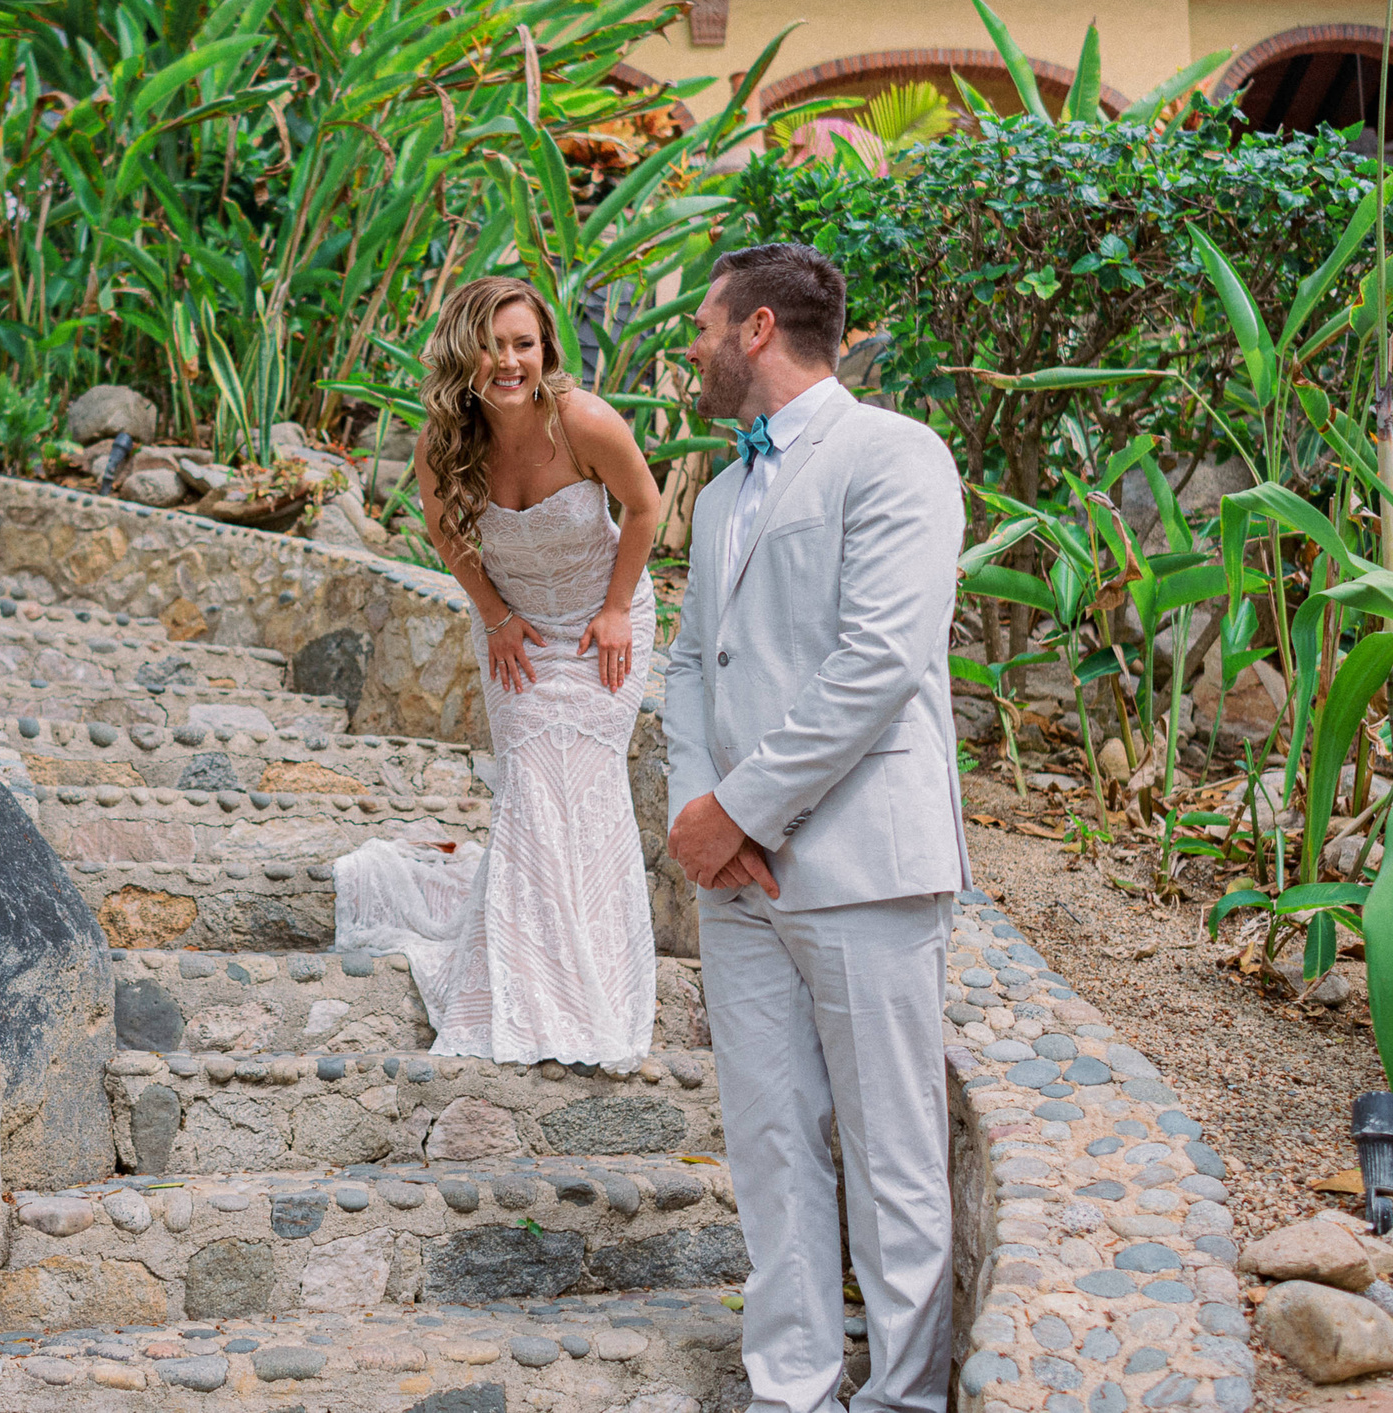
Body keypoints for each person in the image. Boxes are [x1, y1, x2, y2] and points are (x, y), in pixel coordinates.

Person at [662, 242, 969, 1413]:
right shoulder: (726, 489)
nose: (689, 345)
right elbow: (692, 661)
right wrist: (700, 812)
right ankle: (790, 1387)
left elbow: (878, 661)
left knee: (892, 1152)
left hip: (860, 860)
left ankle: (900, 1396)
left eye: (701, 321)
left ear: (752, 329)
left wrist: (739, 808)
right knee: (771, 1141)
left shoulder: (895, 455)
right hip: (736, 880)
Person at [331, 274, 663, 1068]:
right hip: (515, 630)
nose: (509, 361)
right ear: (463, 353)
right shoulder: (445, 441)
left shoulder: (583, 420)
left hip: (602, 623)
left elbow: (645, 506)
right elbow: (447, 536)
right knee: (529, 782)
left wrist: (616, 609)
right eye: (492, 345)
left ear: (546, 347)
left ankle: (592, 980)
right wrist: (495, 615)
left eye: (524, 343)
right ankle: (520, 972)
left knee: (579, 779)